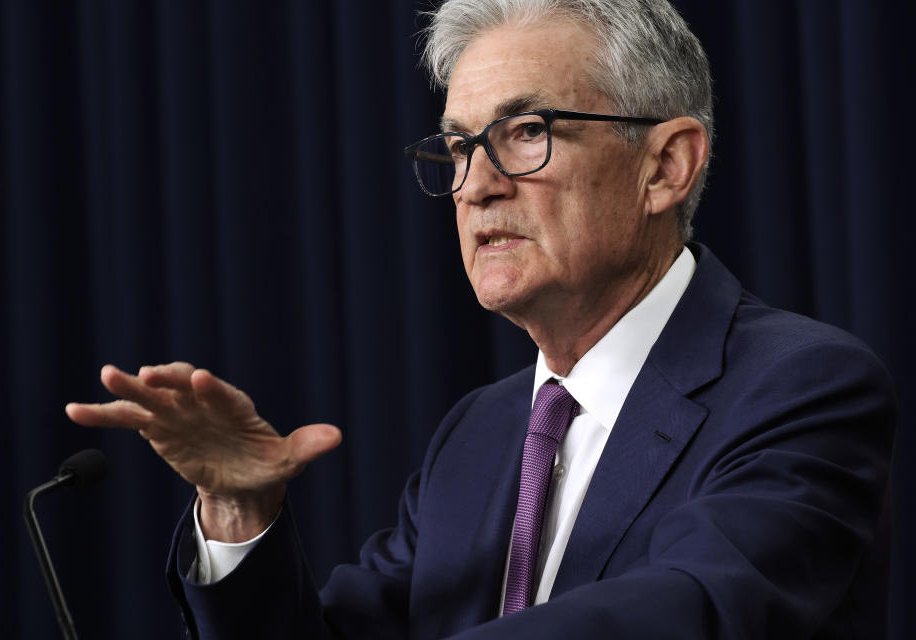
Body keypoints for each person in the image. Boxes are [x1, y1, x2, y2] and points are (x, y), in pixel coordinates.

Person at [66, 0, 895, 638]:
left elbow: (695, 609)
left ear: (665, 166)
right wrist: (241, 518)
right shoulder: (481, 432)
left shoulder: (800, 387)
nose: (476, 185)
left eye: (526, 132)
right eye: (460, 147)